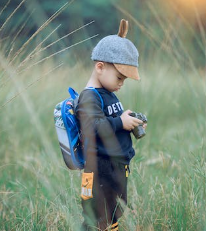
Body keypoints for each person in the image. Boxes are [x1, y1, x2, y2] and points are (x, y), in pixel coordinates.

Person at [76, 19, 146, 231]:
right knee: (98, 216)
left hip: (114, 167)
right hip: (100, 169)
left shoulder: (107, 93)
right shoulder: (89, 96)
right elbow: (95, 126)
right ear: (100, 67)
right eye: (119, 77)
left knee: (113, 211)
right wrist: (120, 122)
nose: (121, 83)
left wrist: (127, 119)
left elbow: (109, 119)